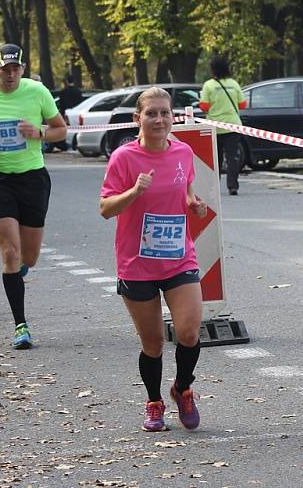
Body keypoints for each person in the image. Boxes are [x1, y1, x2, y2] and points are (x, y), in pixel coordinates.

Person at [99, 87, 208, 432]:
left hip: (178, 257)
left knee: (189, 332)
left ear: (173, 117)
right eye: (151, 113)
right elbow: (105, 209)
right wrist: (135, 191)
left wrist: (195, 204)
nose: (159, 119)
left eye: (165, 113)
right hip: (137, 262)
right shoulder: (124, 158)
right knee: (153, 343)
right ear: (138, 119)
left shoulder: (184, 152)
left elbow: (186, 188)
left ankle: (183, 388)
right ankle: (154, 402)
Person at [0, 43, 67, 349]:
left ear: (22, 68)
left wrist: (40, 133)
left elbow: (61, 129)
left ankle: (19, 270)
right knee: (9, 252)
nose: (10, 75)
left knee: (29, 257)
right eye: (4, 69)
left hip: (33, 178)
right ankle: (20, 325)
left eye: (15, 69)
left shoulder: (37, 92)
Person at [199, 55, 247, 195]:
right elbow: (243, 104)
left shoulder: (209, 85)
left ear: (213, 69)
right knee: (232, 157)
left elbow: (204, 106)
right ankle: (233, 186)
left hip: (215, 126)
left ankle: (215, 188)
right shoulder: (234, 84)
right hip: (233, 125)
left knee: (216, 158)